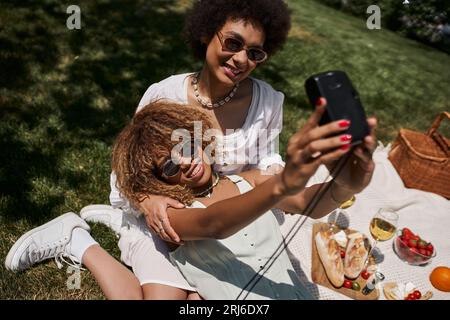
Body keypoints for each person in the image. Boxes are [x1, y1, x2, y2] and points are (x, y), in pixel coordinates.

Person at [4, 100, 377, 300]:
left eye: (185, 144)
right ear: (156, 180)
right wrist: (279, 188)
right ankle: (80, 241)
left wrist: (347, 184)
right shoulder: (175, 216)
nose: (185, 161)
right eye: (168, 164)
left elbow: (308, 203)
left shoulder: (249, 180)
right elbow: (215, 224)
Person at [107, 0, 294, 299]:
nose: (241, 59)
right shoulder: (163, 94)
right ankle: (77, 242)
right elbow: (127, 172)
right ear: (207, 32)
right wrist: (148, 201)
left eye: (254, 53)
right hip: (171, 223)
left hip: (231, 220)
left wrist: (278, 177)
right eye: (233, 43)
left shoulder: (268, 102)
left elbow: (267, 161)